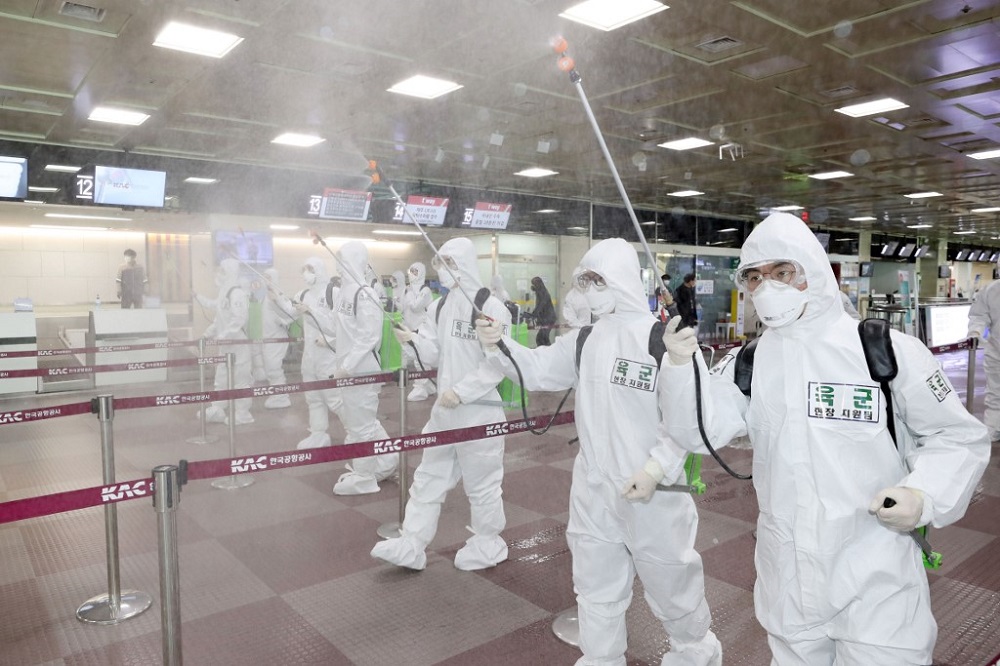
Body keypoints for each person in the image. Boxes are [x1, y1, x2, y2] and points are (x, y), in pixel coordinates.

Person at [660, 212, 990, 665]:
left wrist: (923, 493)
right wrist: (680, 368)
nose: (767, 286)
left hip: (876, 573)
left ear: (811, 271)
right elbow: (698, 430)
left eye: (782, 272)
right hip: (788, 577)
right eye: (754, 277)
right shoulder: (749, 362)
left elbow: (957, 436)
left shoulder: (885, 349)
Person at [475, 238, 721, 666]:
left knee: (670, 578)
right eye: (584, 280)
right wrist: (500, 344)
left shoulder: (661, 339)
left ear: (622, 280)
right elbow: (536, 370)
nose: (589, 288)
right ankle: (601, 657)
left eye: (597, 279)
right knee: (594, 582)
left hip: (655, 489)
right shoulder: (586, 338)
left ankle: (694, 651)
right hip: (593, 485)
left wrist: (654, 468)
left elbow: (688, 417)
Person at [371, 237, 512, 571]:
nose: (442, 271)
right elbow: (434, 352)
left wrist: (462, 390)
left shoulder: (491, 307)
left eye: (448, 263)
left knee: (482, 483)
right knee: (429, 475)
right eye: (439, 263)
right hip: (444, 410)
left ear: (463, 264)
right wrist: (413, 339)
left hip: (479, 411)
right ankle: (412, 543)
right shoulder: (440, 306)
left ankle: (488, 542)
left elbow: (498, 363)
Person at [289, 257, 343, 449]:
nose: (306, 273)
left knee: (335, 399)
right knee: (313, 398)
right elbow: (288, 313)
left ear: (319, 270)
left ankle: (358, 431)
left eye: (310, 268)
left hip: (327, 356)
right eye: (303, 269)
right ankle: (318, 434)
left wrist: (329, 341)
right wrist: (275, 298)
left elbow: (341, 327)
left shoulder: (334, 293)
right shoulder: (303, 294)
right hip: (309, 356)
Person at [194, 258, 254, 425]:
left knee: (240, 378)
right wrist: (207, 335)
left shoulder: (237, 293)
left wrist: (223, 336)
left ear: (229, 273)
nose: (218, 274)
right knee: (221, 376)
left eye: (221, 270)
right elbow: (218, 320)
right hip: (226, 345)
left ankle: (243, 414)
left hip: (238, 345)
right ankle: (218, 407)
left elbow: (239, 319)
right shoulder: (224, 293)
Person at [968, 262, 1000, 441]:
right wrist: (975, 332)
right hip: (997, 350)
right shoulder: (991, 290)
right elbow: (979, 315)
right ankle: (995, 426)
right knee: (996, 391)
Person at [258, 268, 294, 408]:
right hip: (267, 338)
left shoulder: (279, 295)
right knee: (270, 369)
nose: (265, 280)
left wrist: (281, 319)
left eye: (269, 277)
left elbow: (288, 316)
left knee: (274, 368)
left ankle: (282, 397)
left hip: (277, 339)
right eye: (264, 276)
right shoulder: (265, 296)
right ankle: (277, 394)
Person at [401, 261, 436, 402]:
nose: (412, 275)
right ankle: (429, 385)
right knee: (411, 356)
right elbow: (403, 308)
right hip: (409, 327)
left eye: (415, 272)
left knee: (420, 359)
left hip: (421, 328)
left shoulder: (425, 290)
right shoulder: (408, 289)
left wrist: (409, 294)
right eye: (411, 271)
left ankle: (422, 387)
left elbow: (416, 306)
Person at [527, 276, 556, 346]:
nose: (533, 286)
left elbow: (540, 306)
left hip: (549, 319)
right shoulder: (539, 292)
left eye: (534, 284)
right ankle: (545, 353)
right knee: (542, 338)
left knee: (542, 339)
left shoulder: (544, 293)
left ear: (539, 284)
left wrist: (533, 315)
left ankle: (547, 353)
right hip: (545, 319)